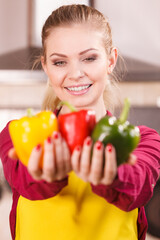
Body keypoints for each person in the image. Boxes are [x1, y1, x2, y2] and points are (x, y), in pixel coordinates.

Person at [0, 4, 160, 240]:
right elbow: (24, 180)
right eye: (60, 62)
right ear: (46, 66)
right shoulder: (20, 132)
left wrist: (111, 174)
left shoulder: (144, 141)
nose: (75, 73)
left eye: (89, 58)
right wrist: (43, 174)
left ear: (111, 60)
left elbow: (137, 186)